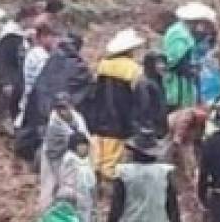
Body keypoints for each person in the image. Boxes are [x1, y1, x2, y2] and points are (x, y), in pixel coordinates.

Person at [87, 29, 145, 184]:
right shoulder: (133, 69)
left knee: (97, 160)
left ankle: (95, 190)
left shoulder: (102, 65)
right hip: (120, 121)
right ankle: (109, 195)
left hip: (98, 119)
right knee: (112, 166)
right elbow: (138, 96)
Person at [39, 93, 91, 210]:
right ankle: (45, 215)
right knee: (50, 187)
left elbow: (85, 138)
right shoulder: (54, 124)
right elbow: (73, 140)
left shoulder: (78, 118)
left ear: (71, 106)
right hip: (52, 156)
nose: (62, 112)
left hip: (70, 157)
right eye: (59, 108)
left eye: (64, 108)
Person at [162, 3, 216, 111]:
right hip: (177, 86)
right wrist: (193, 70)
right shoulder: (178, 33)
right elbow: (177, 61)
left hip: (185, 84)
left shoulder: (186, 32)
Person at [0, 6, 37, 132]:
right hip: (9, 77)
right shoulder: (10, 36)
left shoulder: (20, 34)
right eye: (31, 20)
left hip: (16, 75)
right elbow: (3, 59)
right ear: (25, 19)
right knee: (7, 104)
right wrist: (6, 81)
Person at [57, 131, 98, 222]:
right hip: (72, 197)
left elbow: (91, 182)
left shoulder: (86, 161)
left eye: (85, 145)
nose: (84, 148)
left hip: (86, 198)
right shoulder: (70, 160)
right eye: (81, 145)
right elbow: (66, 181)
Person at [134, 51, 169, 140]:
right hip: (149, 133)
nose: (162, 66)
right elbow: (144, 110)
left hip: (159, 130)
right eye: (158, 63)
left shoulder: (158, 81)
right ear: (150, 64)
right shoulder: (144, 83)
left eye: (163, 62)